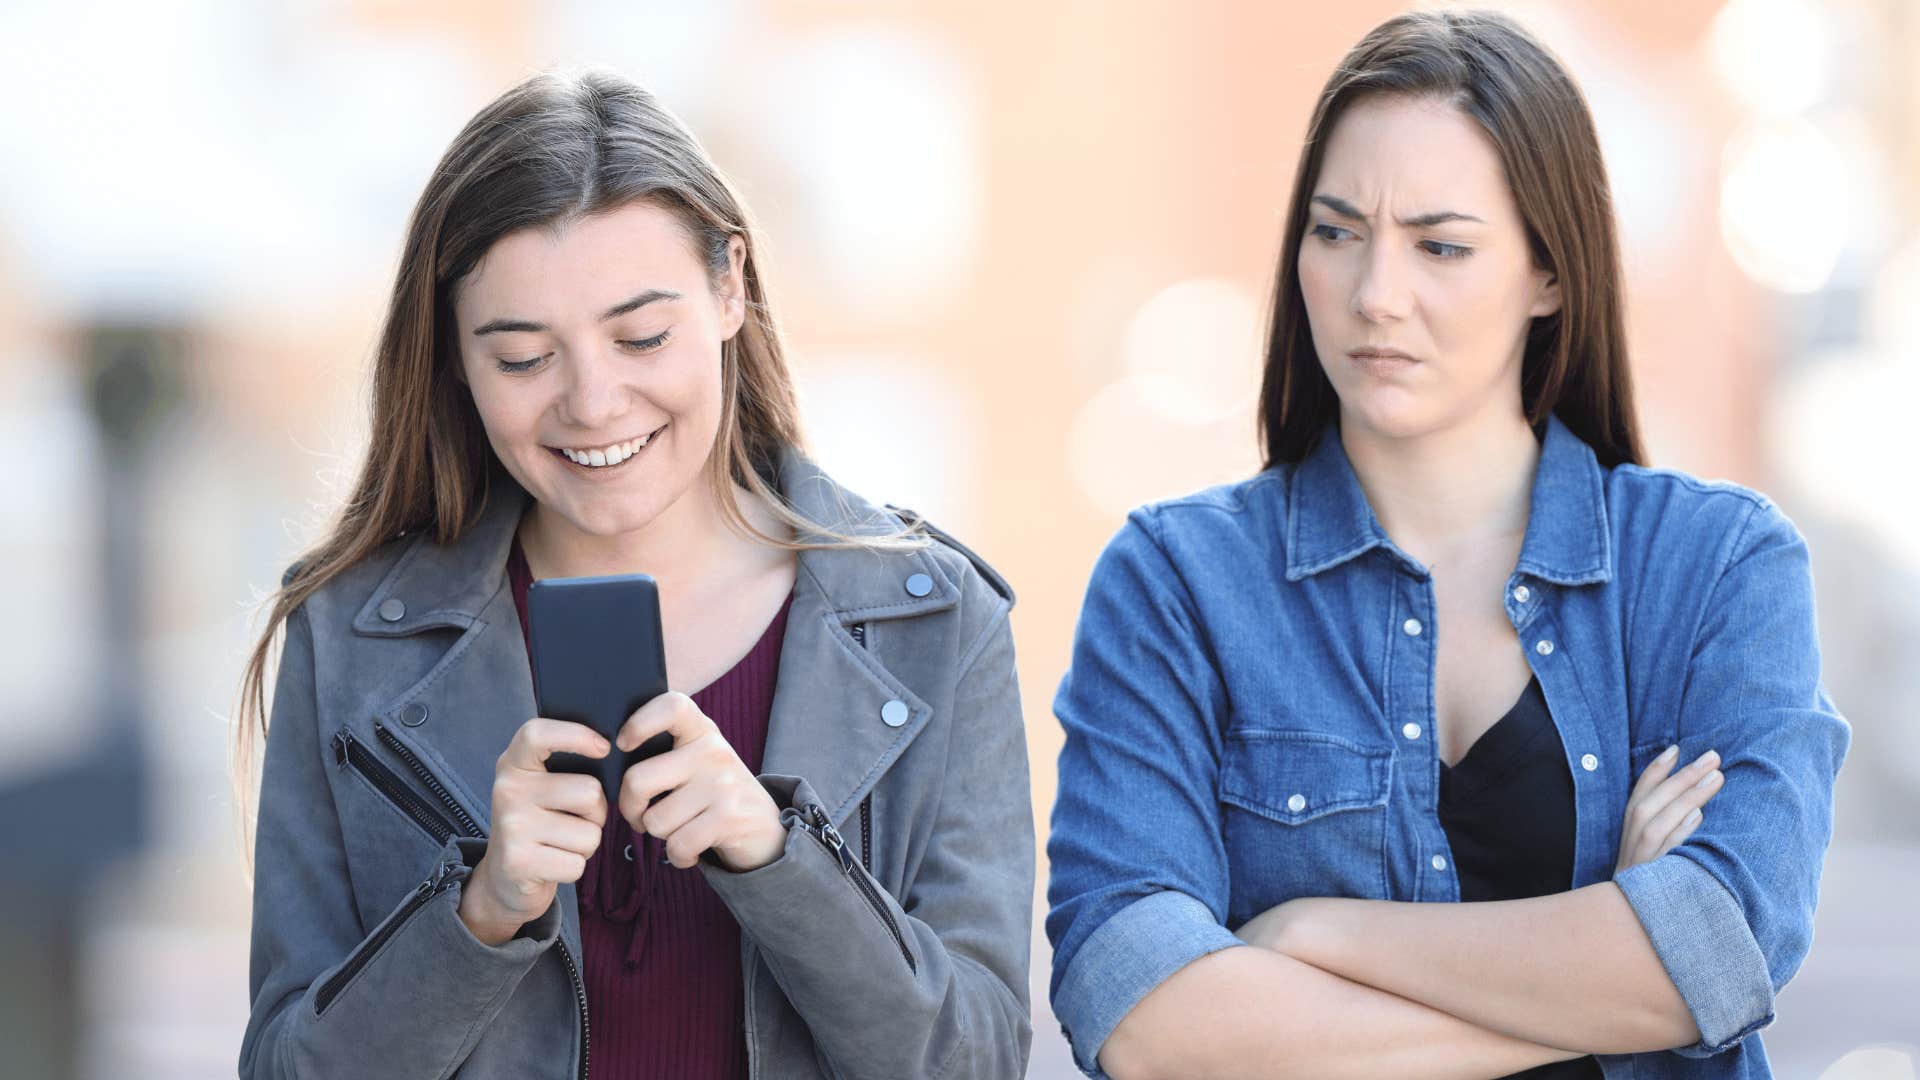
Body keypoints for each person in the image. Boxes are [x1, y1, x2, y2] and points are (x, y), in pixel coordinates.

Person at [1045, 10, 1847, 1079]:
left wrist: (1315, 932)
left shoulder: (1713, 567)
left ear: (1550, 275)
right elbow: (1137, 1014)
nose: (1377, 294)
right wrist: (1608, 971)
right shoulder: (1177, 585)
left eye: (1441, 245)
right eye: (1337, 232)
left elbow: (1724, 946)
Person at [235, 69, 1033, 1080]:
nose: (594, 401)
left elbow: (977, 1061)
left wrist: (779, 859)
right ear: (455, 360)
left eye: (641, 336)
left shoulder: (931, 624)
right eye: (523, 357)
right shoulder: (352, 638)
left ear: (731, 286)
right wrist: (478, 915)